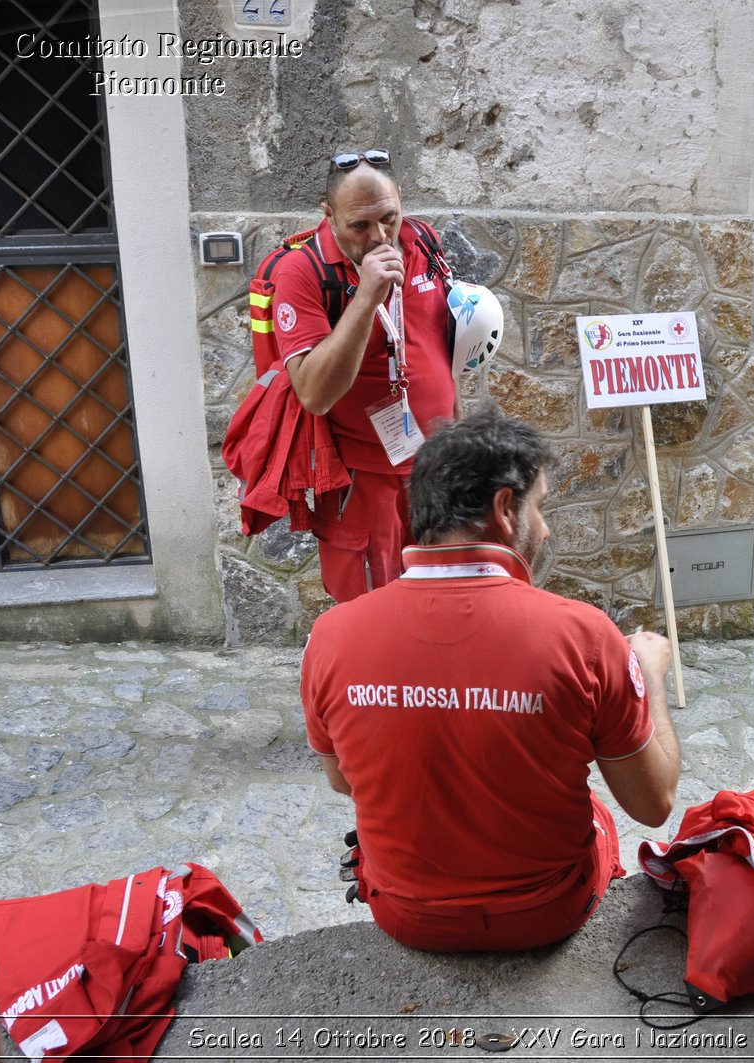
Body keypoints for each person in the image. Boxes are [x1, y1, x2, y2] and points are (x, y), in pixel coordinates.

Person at [300, 408, 680, 951]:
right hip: (547, 914)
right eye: (540, 507)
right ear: (506, 508)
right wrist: (647, 675)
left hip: (406, 918)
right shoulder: (586, 635)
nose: (544, 528)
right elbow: (654, 803)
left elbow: (343, 780)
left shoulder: (330, 635)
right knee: (590, 805)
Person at [270, 149, 461, 602]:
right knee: (374, 611)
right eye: (359, 225)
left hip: (437, 468)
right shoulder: (300, 272)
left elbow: (437, 348)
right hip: (364, 481)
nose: (379, 237)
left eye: (389, 218)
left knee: (446, 601)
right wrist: (366, 298)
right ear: (329, 215)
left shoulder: (423, 242)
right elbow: (314, 394)